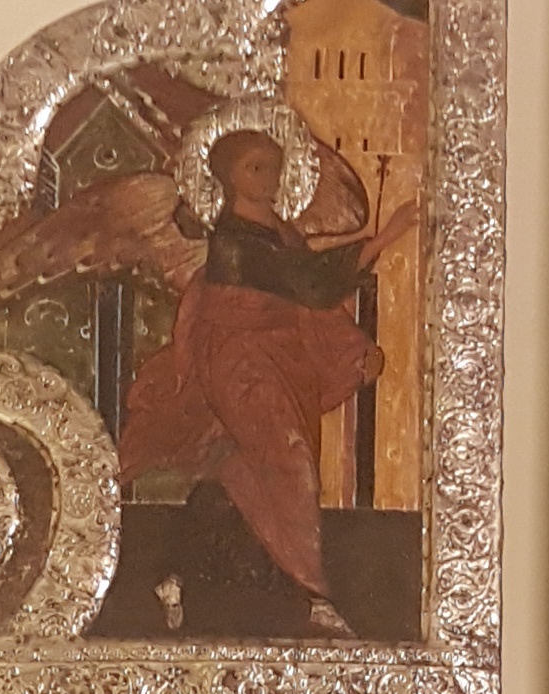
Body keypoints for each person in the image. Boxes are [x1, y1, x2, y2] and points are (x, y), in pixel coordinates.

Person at [118, 127, 418, 634]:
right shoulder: (234, 240)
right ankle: (314, 593)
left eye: (273, 167)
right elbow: (309, 282)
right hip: (240, 363)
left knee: (236, 464)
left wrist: (350, 350)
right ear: (227, 176)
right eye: (255, 168)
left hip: (279, 360)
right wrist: (385, 236)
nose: (268, 177)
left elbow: (304, 303)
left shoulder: (279, 232)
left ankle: (175, 573)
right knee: (290, 458)